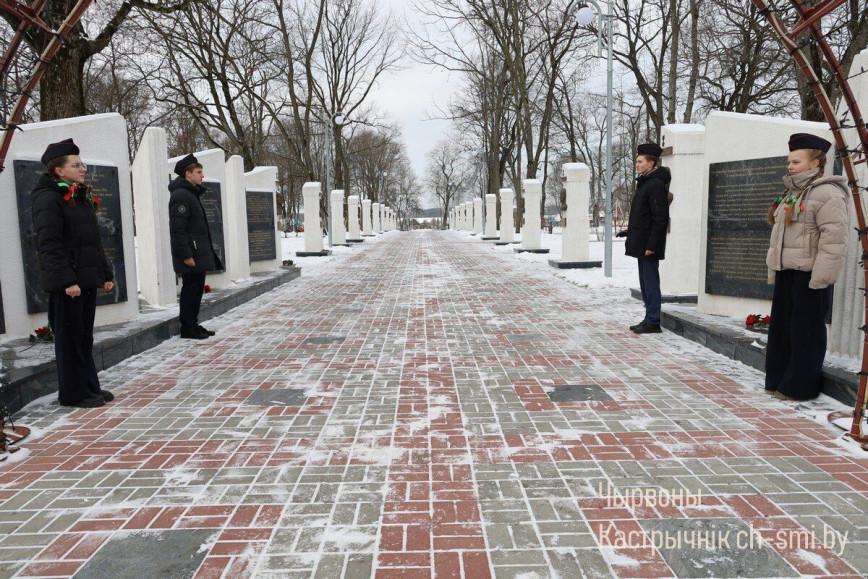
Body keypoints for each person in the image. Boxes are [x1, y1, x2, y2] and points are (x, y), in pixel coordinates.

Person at [765, 133, 850, 401]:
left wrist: (821, 278)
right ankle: (778, 381)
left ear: (815, 163)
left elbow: (834, 240)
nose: (790, 166)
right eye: (789, 161)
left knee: (806, 333)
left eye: (796, 161)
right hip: (787, 272)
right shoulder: (792, 192)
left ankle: (799, 387)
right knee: (782, 329)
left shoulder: (827, 193)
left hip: (810, 276)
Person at [32, 139, 115, 408]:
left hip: (85, 280)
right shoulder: (48, 199)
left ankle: (89, 386)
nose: (82, 169)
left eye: (82, 164)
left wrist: (104, 272)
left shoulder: (78, 196)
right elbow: (50, 243)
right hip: (69, 284)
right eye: (76, 165)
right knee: (69, 340)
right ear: (58, 170)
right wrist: (67, 280)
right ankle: (72, 393)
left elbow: (92, 241)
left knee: (83, 337)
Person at [617, 143, 671, 334]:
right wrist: (630, 232)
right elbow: (643, 216)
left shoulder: (655, 185)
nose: (637, 165)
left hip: (649, 245)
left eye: (640, 162)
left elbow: (660, 219)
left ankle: (653, 320)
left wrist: (652, 245)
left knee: (650, 283)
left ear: (651, 163)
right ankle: (649, 318)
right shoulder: (646, 183)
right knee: (645, 284)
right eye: (637, 162)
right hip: (642, 242)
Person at [169, 154, 221, 340]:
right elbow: (178, 229)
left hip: (197, 252)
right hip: (191, 254)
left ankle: (193, 323)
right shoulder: (181, 195)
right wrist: (186, 254)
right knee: (190, 290)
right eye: (198, 172)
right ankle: (187, 327)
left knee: (197, 289)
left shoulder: (190, 193)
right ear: (187, 174)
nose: (202, 176)